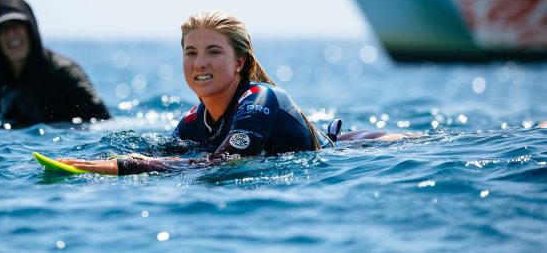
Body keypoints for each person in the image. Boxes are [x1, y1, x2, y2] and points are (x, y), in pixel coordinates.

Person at [59, 10, 406, 175]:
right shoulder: (192, 123)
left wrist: (125, 167)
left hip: (359, 150)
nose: (199, 63)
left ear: (239, 62)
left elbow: (223, 163)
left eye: (213, 51)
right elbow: (176, 155)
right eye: (190, 52)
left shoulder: (260, 101)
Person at [0, 0, 110, 126]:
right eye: (3, 29)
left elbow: (104, 123)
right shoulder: (5, 79)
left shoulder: (65, 73)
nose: (11, 34)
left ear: (30, 29)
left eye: (16, 25)